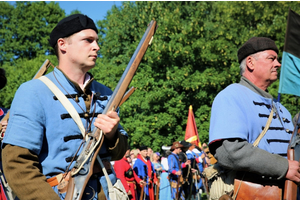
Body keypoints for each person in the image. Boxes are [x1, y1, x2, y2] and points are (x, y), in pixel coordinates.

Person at [1, 14, 128, 200]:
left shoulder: (106, 94)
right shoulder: (33, 91)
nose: (97, 47)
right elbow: (17, 164)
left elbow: (118, 153)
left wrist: (112, 135)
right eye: (88, 40)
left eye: (97, 41)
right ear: (62, 44)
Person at [209, 37, 298, 198]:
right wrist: (283, 167)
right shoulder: (231, 96)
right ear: (251, 63)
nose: (278, 64)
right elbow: (230, 152)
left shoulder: (282, 109)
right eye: (271, 58)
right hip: (250, 194)